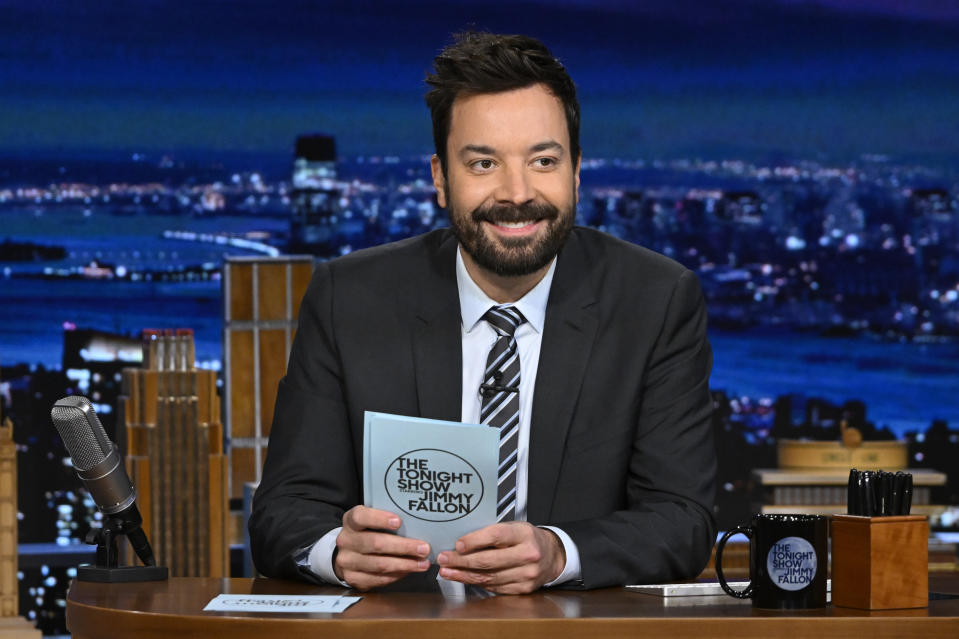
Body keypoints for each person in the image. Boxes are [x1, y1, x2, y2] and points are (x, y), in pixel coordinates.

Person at [249, 31, 716, 594]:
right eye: (483, 163)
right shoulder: (348, 298)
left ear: (576, 171)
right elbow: (282, 513)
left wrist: (557, 552)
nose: (516, 192)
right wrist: (336, 551)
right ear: (441, 179)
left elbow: (683, 520)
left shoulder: (655, 300)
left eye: (544, 160)